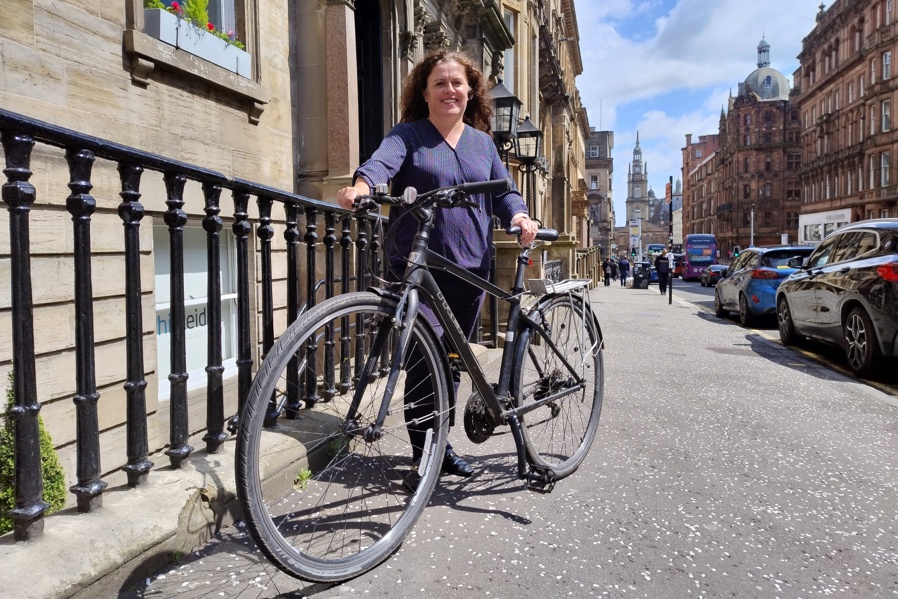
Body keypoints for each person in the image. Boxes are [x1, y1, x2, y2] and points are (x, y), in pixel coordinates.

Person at [337, 50, 538, 489]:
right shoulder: (408, 135)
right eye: (440, 83)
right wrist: (361, 186)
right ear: (424, 93)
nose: (450, 90)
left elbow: (505, 193)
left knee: (450, 361)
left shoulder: (483, 144)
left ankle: (439, 444)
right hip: (417, 265)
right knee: (420, 361)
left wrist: (520, 216)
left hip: (470, 268)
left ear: (470, 92)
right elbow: (380, 163)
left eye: (458, 83)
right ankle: (423, 453)